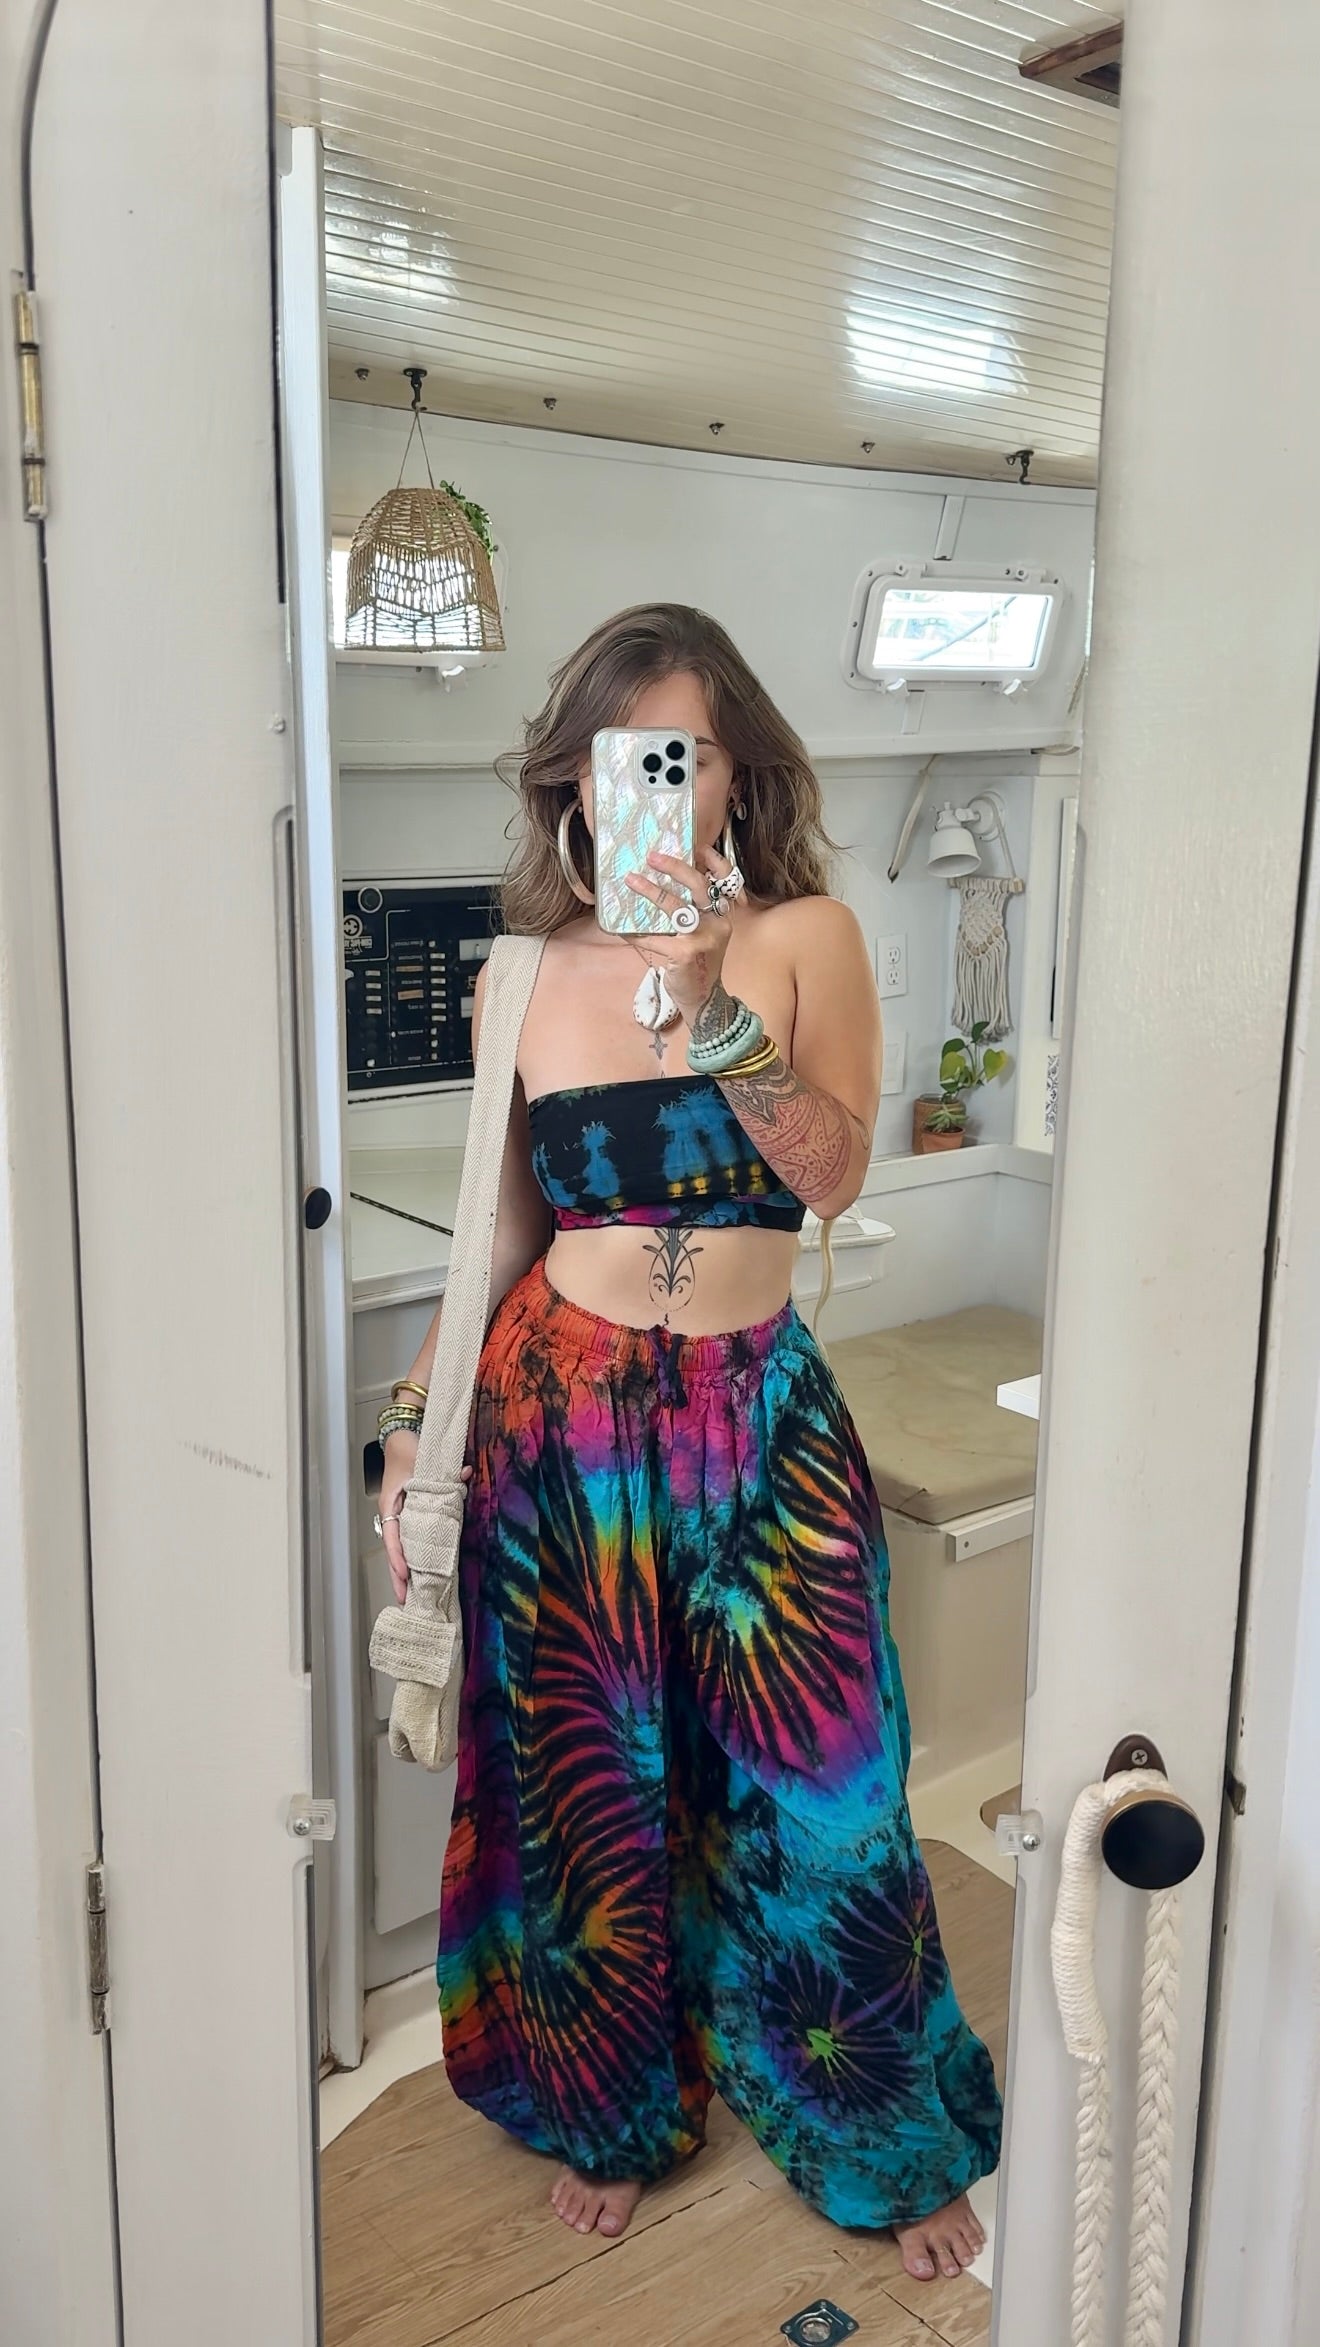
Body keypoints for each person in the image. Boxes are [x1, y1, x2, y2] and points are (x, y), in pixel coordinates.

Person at [377, 604, 1001, 2283]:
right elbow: (495, 1238)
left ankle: (877, 2130)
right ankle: (613, 2110)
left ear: (738, 776)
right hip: (561, 1432)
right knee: (588, 1785)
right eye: (620, 753)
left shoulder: (806, 938)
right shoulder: (520, 977)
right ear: (573, 780)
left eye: (685, 752)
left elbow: (831, 1177)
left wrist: (717, 1002)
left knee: (831, 1794)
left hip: (759, 1419)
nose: (651, 782)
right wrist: (416, 1425)